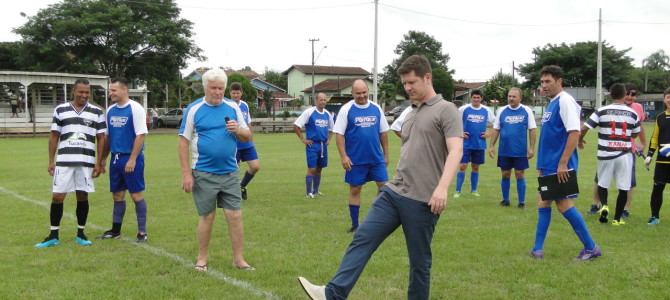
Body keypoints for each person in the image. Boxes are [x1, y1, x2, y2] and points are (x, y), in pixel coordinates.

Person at [298, 54, 463, 300]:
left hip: (422, 199)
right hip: (394, 192)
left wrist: (442, 188)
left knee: (419, 263)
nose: (407, 88)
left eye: (412, 83)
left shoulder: (446, 110)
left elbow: (456, 150)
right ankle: (332, 294)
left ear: (427, 78)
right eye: (404, 84)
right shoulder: (411, 111)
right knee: (362, 237)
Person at [178, 69, 255, 271]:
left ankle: (239, 259)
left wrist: (238, 130)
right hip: (203, 172)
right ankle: (202, 259)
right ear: (205, 88)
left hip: (230, 171)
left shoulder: (233, 108)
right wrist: (186, 174)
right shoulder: (194, 110)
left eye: (221, 88)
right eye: (213, 88)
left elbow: (248, 135)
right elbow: (183, 142)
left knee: (235, 215)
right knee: (207, 216)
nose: (218, 92)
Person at [530, 65, 600, 260]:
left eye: (548, 81)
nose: (544, 85)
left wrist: (563, 163)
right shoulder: (553, 102)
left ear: (559, 81)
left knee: (562, 204)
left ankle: (591, 247)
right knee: (544, 202)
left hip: (558, 165)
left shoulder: (565, 101)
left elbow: (574, 132)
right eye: (542, 82)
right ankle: (537, 249)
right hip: (548, 164)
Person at [35, 79, 106, 248]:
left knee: (83, 195)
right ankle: (53, 235)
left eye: (87, 92)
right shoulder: (61, 110)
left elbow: (101, 138)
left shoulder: (97, 112)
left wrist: (99, 163)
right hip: (64, 161)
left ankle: (81, 234)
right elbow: (54, 136)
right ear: (73, 91)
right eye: (81, 92)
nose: (84, 95)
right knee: (58, 196)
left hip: (86, 162)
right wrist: (51, 161)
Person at [332, 79, 390, 233]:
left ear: (368, 92)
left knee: (384, 188)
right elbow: (339, 135)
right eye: (358, 93)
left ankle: (375, 220)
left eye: (364, 92)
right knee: (355, 189)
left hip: (376, 158)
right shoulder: (346, 109)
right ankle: (355, 225)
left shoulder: (376, 108)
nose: (362, 96)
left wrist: (386, 154)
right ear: (352, 93)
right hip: (355, 159)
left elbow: (383, 133)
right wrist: (344, 156)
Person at [579, 83, 640, 225]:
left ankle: (604, 205)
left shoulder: (601, 111)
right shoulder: (633, 113)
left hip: (605, 153)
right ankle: (617, 219)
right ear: (625, 95)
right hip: (624, 154)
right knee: (624, 187)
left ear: (611, 95)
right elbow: (636, 133)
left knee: (602, 183)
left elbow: (585, 127)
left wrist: (580, 140)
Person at [98, 78, 149, 242]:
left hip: (131, 157)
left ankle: (142, 232)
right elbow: (107, 137)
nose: (110, 93)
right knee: (117, 195)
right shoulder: (110, 110)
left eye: (114, 90)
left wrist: (133, 159)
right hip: (115, 158)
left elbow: (141, 135)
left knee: (135, 195)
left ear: (124, 90)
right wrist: (103, 160)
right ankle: (115, 230)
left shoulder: (135, 109)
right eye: (110, 90)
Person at [488, 87, 537, 208]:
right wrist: (491, 146)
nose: (511, 98)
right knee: (505, 174)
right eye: (509, 96)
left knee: (520, 174)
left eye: (514, 96)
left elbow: (532, 130)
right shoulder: (502, 110)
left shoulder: (526, 110)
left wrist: (531, 148)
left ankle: (521, 202)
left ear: (520, 98)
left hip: (520, 151)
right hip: (504, 150)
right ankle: (505, 200)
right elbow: (496, 129)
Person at [294, 92, 334, 198]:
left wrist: (329, 140)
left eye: (325, 100)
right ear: (316, 101)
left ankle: (316, 191)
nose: (323, 102)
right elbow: (297, 125)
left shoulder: (327, 114)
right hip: (313, 145)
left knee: (320, 168)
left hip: (323, 146)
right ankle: (308, 193)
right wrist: (303, 139)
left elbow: (332, 129)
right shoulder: (309, 112)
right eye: (321, 100)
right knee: (312, 168)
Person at [455, 89, 495, 198]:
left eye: (478, 97)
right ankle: (458, 191)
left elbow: (494, 124)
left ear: (481, 98)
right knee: (463, 166)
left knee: (475, 167)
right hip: (466, 144)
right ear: (471, 98)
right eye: (474, 97)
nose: (476, 99)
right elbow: (454, 122)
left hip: (479, 144)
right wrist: (461, 133)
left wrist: (488, 133)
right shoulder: (463, 109)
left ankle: (474, 190)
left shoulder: (486, 110)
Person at [228, 82, 260, 201]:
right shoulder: (227, 105)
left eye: (238, 93)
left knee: (255, 167)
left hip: (247, 143)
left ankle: (242, 186)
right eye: (233, 93)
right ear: (230, 93)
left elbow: (248, 122)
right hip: (234, 144)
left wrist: (250, 137)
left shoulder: (245, 105)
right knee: (233, 170)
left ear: (241, 93)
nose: (235, 95)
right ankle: (233, 194)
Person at [644, 87, 670, 225]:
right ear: (664, 99)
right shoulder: (660, 117)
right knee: (657, 189)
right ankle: (654, 216)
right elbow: (655, 138)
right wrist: (649, 155)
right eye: (668, 97)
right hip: (662, 162)